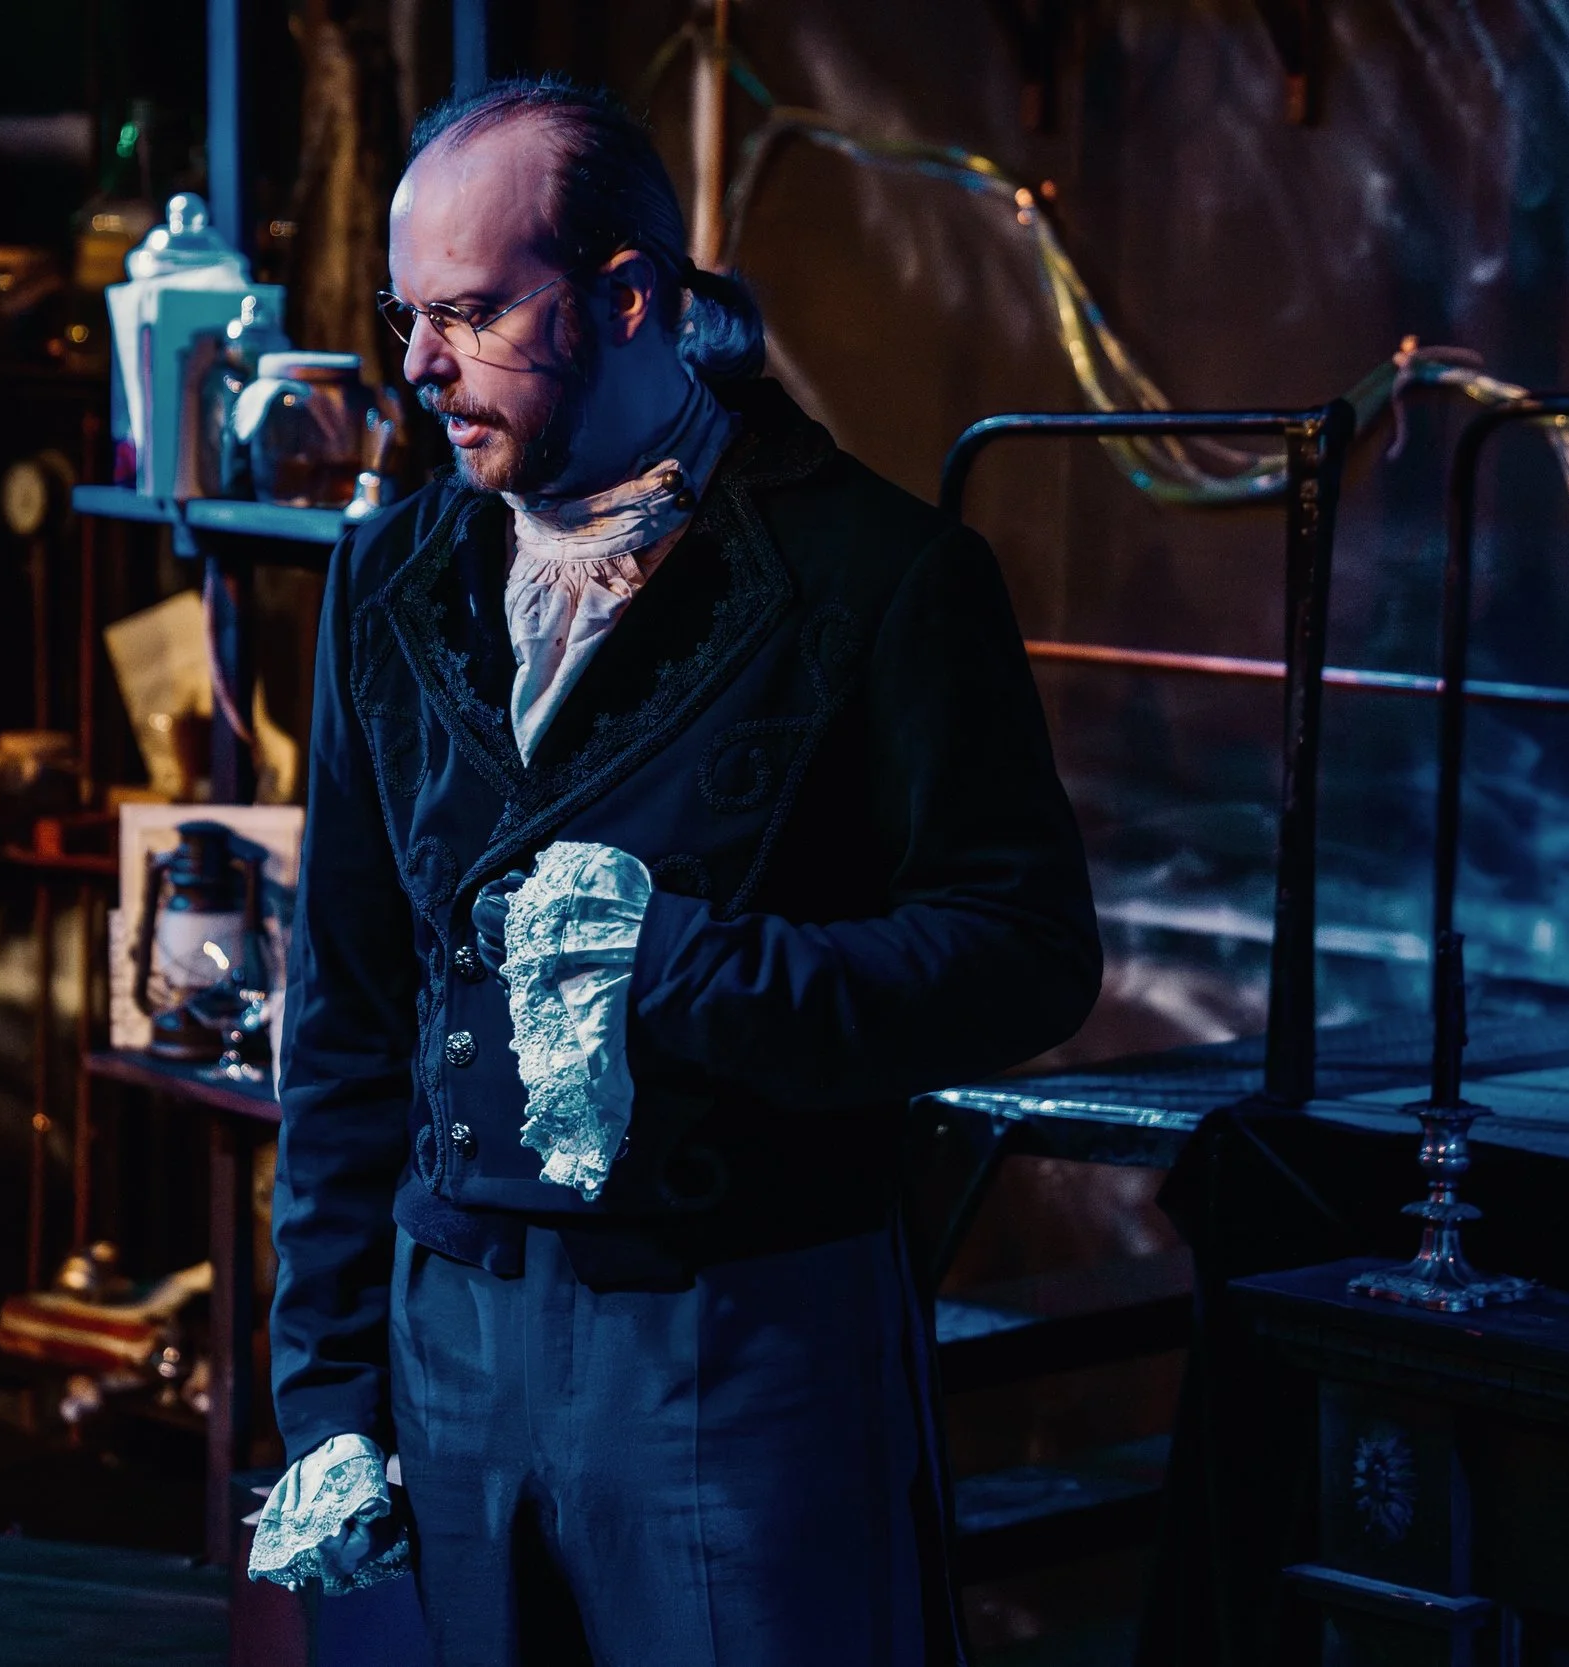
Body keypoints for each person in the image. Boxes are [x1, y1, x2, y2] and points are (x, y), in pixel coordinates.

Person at [246, 75, 1101, 1667]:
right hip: (450, 1338)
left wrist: (690, 970)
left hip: (738, 1338)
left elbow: (1025, 949)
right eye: (406, 316)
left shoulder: (880, 576)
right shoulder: (387, 580)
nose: (419, 364)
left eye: (471, 313)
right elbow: (349, 1017)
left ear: (628, 296)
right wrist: (329, 1393)